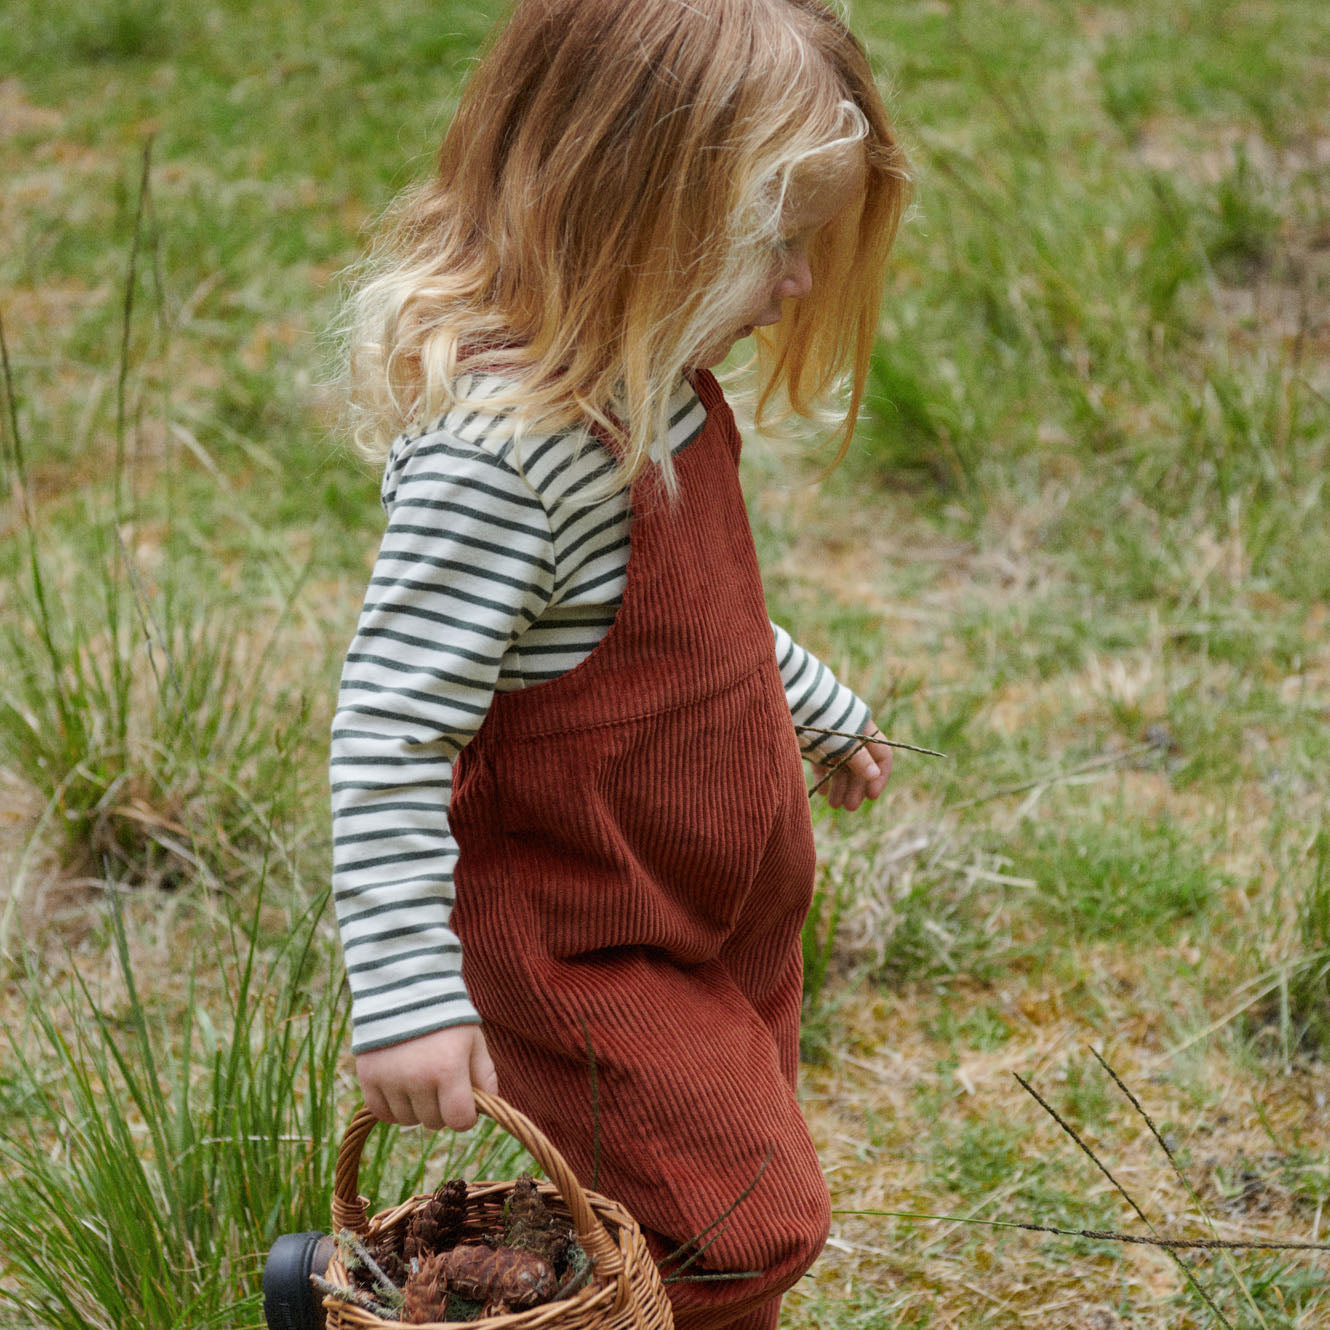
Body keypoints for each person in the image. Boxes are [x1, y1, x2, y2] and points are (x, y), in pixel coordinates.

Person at [330, 1, 909, 1324]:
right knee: (736, 1223)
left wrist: (804, 700)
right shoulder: (503, 458)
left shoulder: (661, 388)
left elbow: (675, 620)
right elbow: (387, 729)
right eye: (776, 245)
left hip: (704, 912)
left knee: (698, 1204)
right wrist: (406, 997)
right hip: (587, 937)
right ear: (634, 219)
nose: (801, 285)